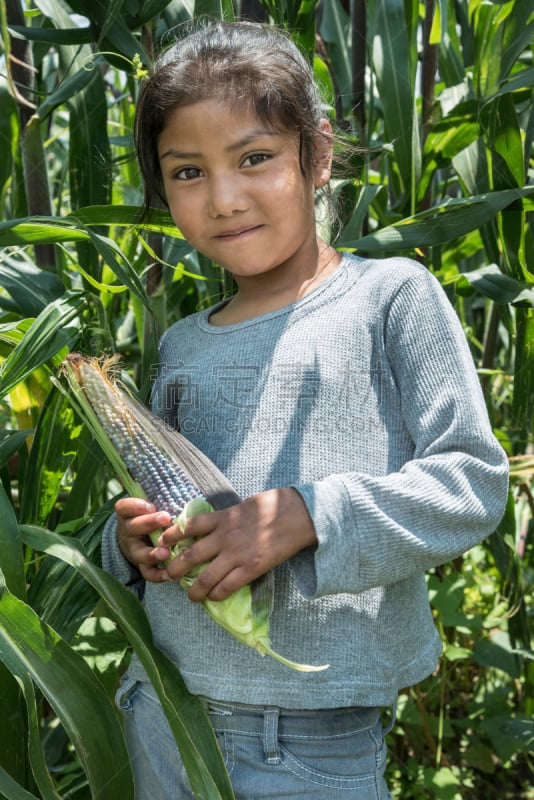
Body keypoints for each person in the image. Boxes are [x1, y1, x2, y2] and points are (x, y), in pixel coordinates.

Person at [102, 19, 509, 799]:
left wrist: (308, 515)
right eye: (187, 173)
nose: (224, 199)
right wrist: (133, 545)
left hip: (307, 741)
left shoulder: (390, 299)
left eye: (255, 159)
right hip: (165, 711)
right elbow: (155, 499)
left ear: (317, 155)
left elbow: (472, 484)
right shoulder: (185, 345)